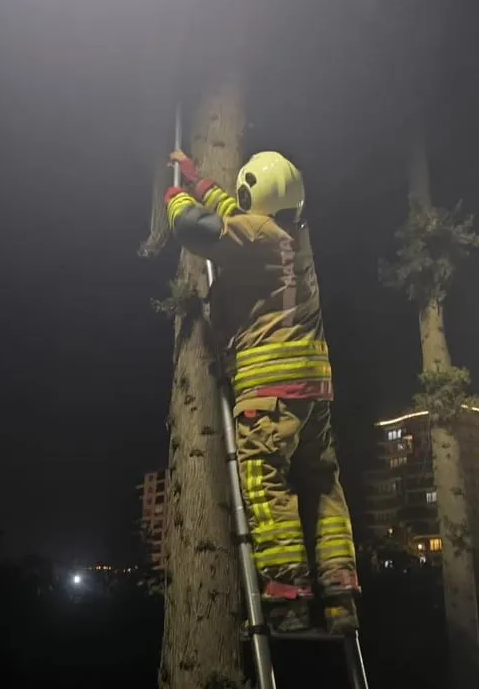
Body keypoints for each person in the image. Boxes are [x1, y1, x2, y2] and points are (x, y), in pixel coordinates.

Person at [166, 149, 360, 635]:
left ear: (255, 191)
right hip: (314, 391)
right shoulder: (293, 236)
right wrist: (202, 180)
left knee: (265, 484)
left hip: (268, 389)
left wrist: (175, 199)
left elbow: (198, 228)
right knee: (322, 483)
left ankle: (289, 597)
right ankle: (340, 595)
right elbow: (238, 218)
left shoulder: (256, 237)